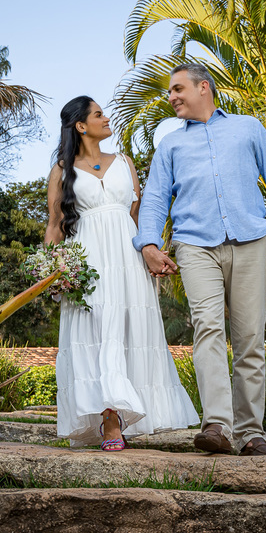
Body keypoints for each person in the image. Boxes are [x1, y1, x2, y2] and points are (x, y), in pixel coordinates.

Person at [133, 63, 266, 456]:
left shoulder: (248, 128)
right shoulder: (170, 145)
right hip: (195, 246)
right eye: (169, 91)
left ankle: (251, 433)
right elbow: (155, 198)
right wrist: (148, 244)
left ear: (203, 87)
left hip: (251, 241)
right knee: (207, 329)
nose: (171, 97)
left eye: (177, 88)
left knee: (250, 338)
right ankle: (218, 426)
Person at [45, 96, 199, 451]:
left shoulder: (125, 162)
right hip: (87, 262)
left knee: (128, 329)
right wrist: (51, 270)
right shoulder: (62, 170)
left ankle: (130, 412)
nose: (106, 118)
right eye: (98, 114)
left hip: (127, 258)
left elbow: (137, 216)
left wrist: (151, 252)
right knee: (97, 330)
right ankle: (109, 419)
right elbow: (55, 224)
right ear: (81, 125)